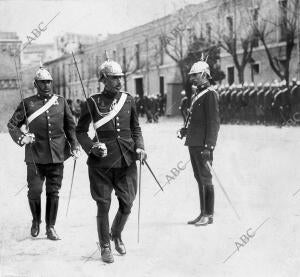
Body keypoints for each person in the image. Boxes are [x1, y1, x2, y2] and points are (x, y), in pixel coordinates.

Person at [76, 59, 147, 263]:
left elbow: (135, 128)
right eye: (114, 78)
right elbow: (80, 131)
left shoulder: (128, 100)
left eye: (120, 77)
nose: (119, 81)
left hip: (126, 159)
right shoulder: (91, 102)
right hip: (102, 163)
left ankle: (116, 233)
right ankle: (105, 245)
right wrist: (92, 147)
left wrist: (140, 146)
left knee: (127, 203)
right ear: (104, 79)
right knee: (103, 205)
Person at [7, 67, 80, 240]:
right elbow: (12, 125)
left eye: (48, 82)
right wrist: (22, 138)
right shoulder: (27, 103)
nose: (46, 85)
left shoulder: (61, 102)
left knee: (53, 192)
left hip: (56, 154)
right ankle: (35, 220)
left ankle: (50, 227)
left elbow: (70, 127)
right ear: (35, 84)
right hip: (35, 155)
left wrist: (75, 145)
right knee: (35, 190)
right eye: (42, 82)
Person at [178, 59, 220, 226]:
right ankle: (203, 212)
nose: (192, 79)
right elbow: (196, 119)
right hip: (194, 142)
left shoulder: (210, 94)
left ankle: (208, 214)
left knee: (206, 177)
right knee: (199, 177)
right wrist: (185, 130)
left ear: (204, 75)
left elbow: (213, 122)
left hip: (203, 144)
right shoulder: (198, 93)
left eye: (195, 75)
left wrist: (209, 146)